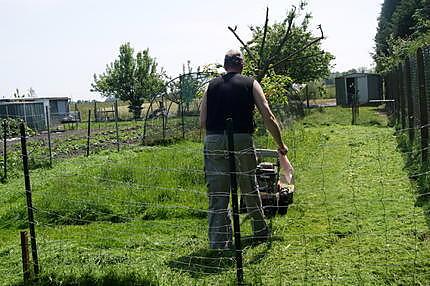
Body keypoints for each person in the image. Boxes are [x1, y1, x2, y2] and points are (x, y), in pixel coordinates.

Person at [199, 49, 288, 250]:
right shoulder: (251, 83)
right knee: (249, 186)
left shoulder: (210, 86)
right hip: (241, 139)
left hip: (213, 139)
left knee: (218, 194)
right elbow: (267, 114)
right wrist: (280, 145)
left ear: (224, 65)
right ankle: (260, 232)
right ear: (242, 65)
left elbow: (202, 121)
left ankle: (219, 243)